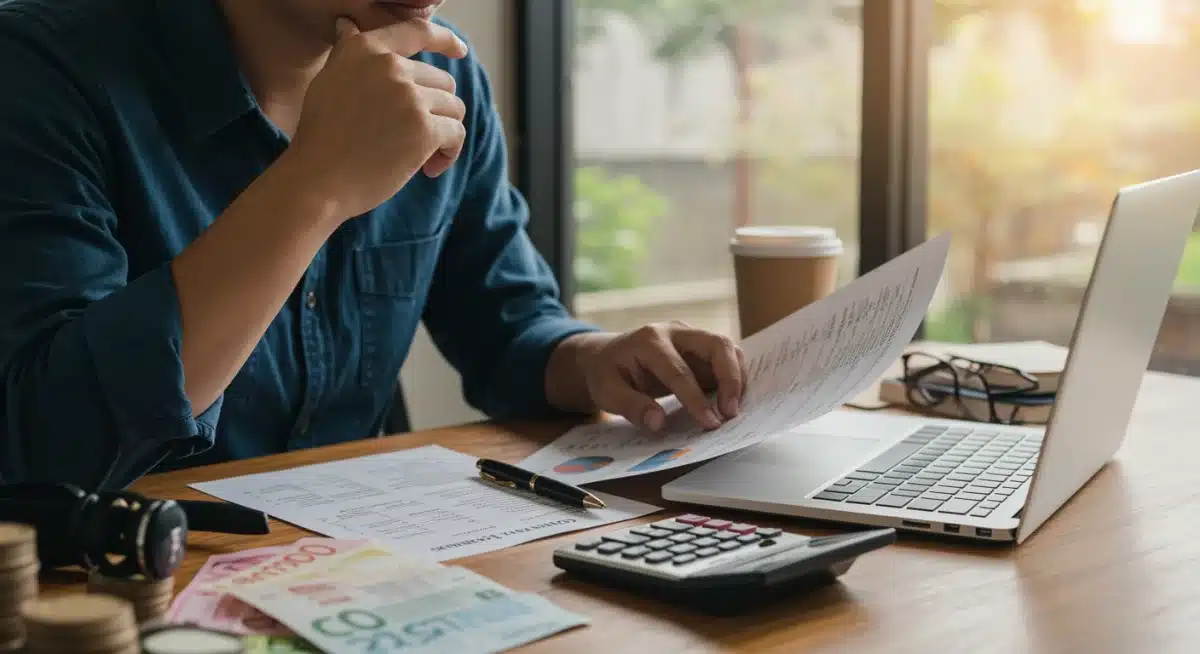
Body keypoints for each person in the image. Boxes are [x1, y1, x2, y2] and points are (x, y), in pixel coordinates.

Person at [0, 0, 745, 490]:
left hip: (365, 560)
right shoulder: (40, 67)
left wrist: (600, 360)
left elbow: (508, 328)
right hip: (117, 587)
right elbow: (51, 439)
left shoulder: (444, 80)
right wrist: (314, 185)